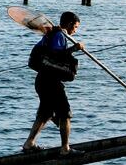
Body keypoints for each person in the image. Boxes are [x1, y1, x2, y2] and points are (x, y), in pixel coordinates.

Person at [22, 11, 85, 156]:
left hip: (42, 80)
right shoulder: (58, 35)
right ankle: (65, 149)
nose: (75, 31)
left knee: (46, 113)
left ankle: (29, 143)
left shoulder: (53, 34)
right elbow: (54, 55)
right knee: (65, 113)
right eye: (75, 27)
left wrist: (70, 50)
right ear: (69, 24)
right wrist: (73, 49)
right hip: (50, 81)